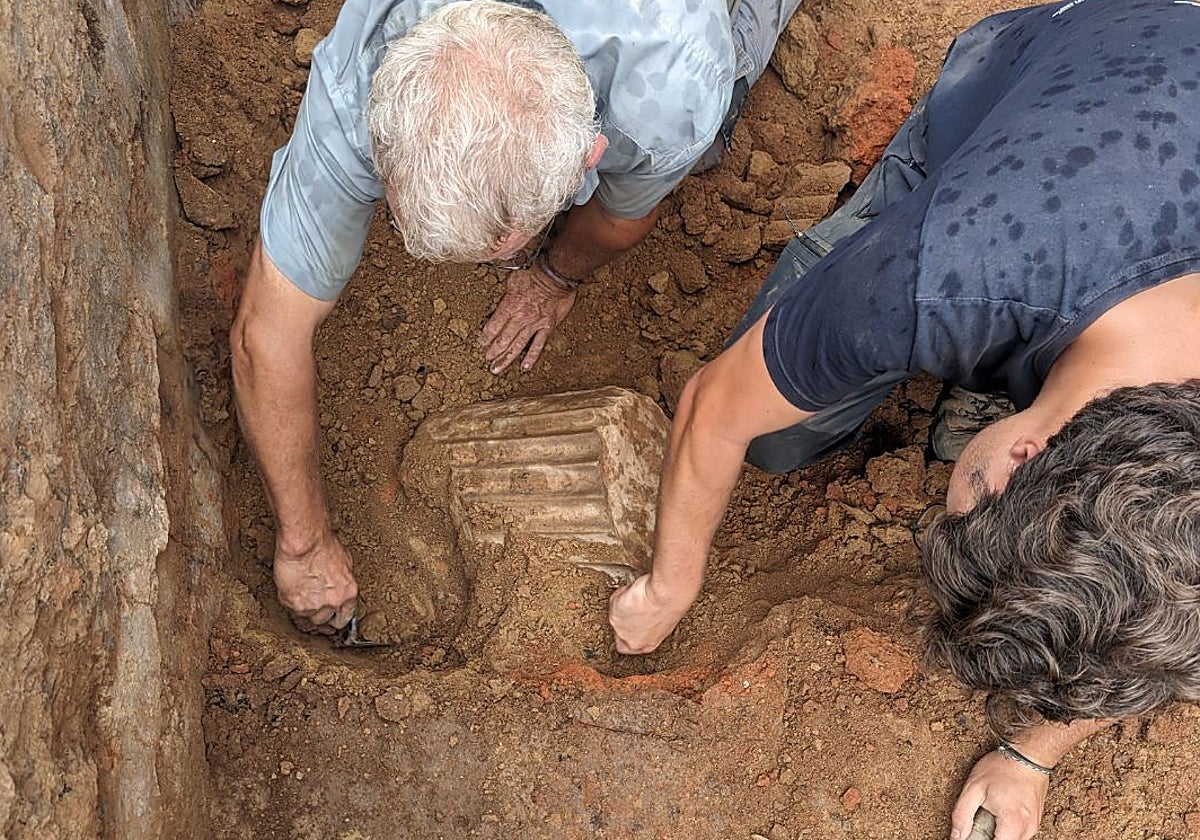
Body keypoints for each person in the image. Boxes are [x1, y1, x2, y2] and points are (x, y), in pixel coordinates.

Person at [607, 0, 1200, 838]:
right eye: (958, 504)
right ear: (1025, 453)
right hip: (1069, 80)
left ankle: (1015, 373)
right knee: (778, 436)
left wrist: (1031, 755)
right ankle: (915, 184)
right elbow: (713, 407)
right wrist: (672, 584)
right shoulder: (951, 264)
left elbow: (1164, 607)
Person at [229, 0, 803, 634]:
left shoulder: (674, 86)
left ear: (590, 154)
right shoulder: (366, 70)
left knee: (715, 118)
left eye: (496, 250)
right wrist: (304, 545)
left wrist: (555, 277)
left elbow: (620, 218)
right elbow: (267, 335)